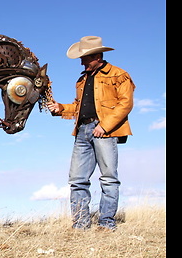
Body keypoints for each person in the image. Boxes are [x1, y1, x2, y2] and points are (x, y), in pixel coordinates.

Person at [47, 36, 135, 231]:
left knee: (108, 178)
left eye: (85, 58)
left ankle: (106, 224)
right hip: (82, 131)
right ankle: (80, 225)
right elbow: (78, 108)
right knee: (77, 180)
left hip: (104, 131)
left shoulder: (119, 75)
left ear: (97, 56)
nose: (81, 62)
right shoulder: (82, 79)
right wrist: (60, 108)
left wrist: (104, 126)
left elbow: (125, 103)